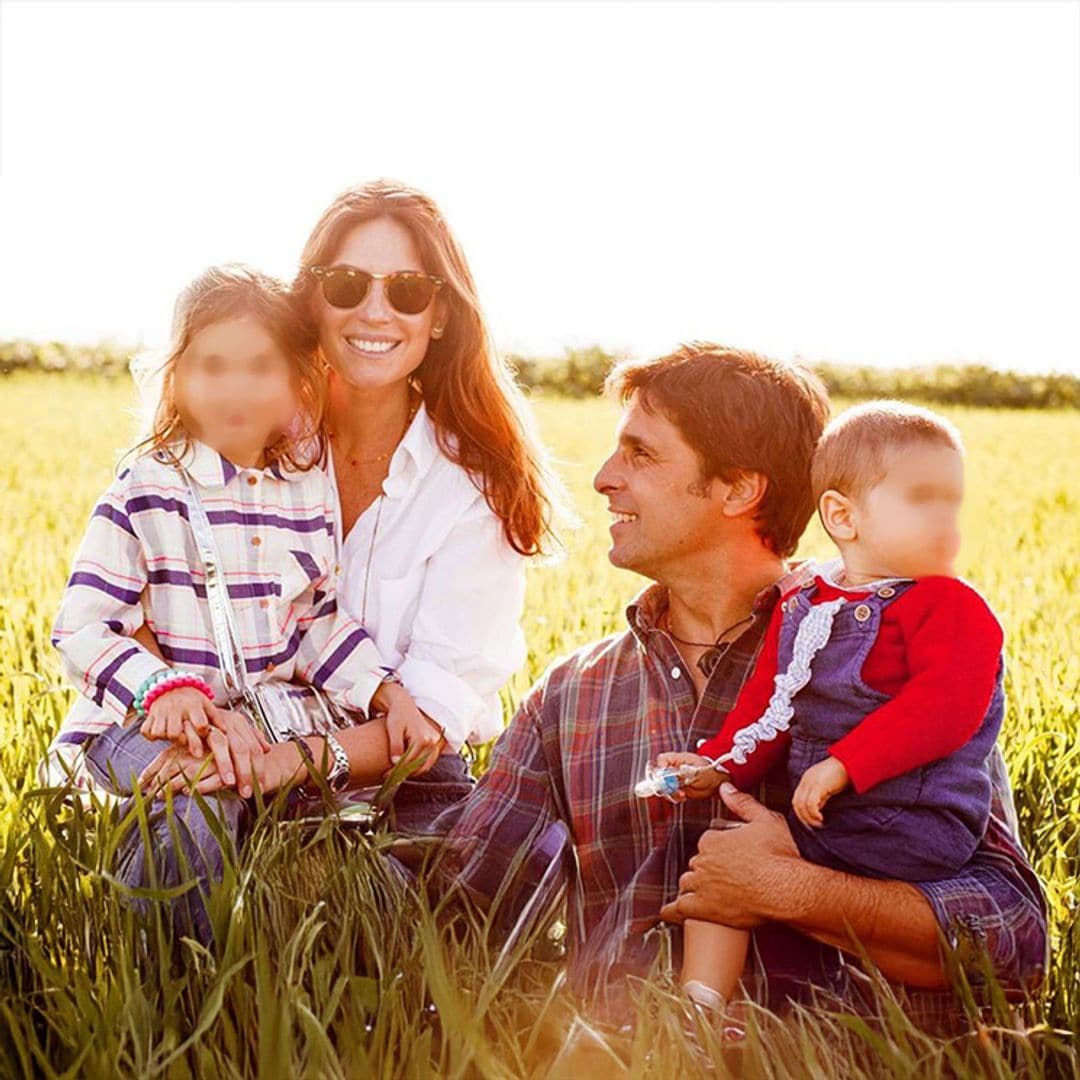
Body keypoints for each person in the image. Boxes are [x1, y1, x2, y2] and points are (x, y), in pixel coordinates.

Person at [436, 343, 1047, 1022]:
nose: (605, 478)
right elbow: (459, 911)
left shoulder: (893, 653)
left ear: (739, 488)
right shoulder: (570, 696)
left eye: (640, 453)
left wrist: (791, 890)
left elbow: (1014, 941)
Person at [139, 178, 561, 833]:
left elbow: (428, 719)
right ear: (313, 298)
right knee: (184, 842)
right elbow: (138, 584)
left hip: (404, 774)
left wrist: (284, 763)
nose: (374, 311)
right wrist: (206, 719)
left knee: (446, 887)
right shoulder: (246, 426)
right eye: (346, 284)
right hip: (233, 735)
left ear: (440, 314)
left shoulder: (474, 483)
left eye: (407, 290)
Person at [46, 264, 437, 944]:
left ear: (295, 381)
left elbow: (313, 621)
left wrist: (383, 692)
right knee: (202, 790)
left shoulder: (301, 491)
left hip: (261, 723)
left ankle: (303, 948)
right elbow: (83, 625)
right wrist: (162, 688)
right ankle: (169, 967)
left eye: (259, 367)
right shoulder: (147, 486)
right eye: (212, 366)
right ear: (177, 377)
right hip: (141, 722)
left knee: (326, 818)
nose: (235, 388)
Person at [653, 401, 1007, 1012]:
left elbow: (945, 708)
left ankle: (840, 998)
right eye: (923, 498)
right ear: (842, 516)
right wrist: (717, 765)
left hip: (911, 822)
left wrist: (846, 764)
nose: (947, 518)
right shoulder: (802, 607)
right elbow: (770, 708)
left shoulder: (950, 606)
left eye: (953, 500)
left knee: (749, 865)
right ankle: (699, 1012)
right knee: (720, 866)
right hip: (837, 824)